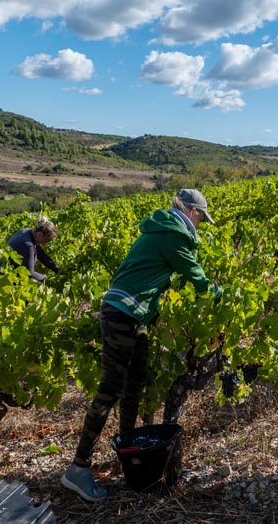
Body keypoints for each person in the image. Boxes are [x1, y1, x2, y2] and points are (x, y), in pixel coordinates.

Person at [60, 189, 222, 502]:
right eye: (201, 218)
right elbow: (198, 280)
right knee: (111, 390)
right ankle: (78, 468)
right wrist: (225, 296)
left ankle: (128, 449)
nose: (201, 225)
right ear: (191, 211)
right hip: (123, 313)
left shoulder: (164, 230)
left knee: (135, 385)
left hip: (133, 315)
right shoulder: (173, 235)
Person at [1, 215, 60, 281]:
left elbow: (41, 255)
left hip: (7, 276)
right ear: (40, 235)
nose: (45, 243)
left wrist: (56, 269)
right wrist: (47, 279)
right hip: (6, 281)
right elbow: (29, 273)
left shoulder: (26, 232)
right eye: (46, 241)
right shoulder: (28, 245)